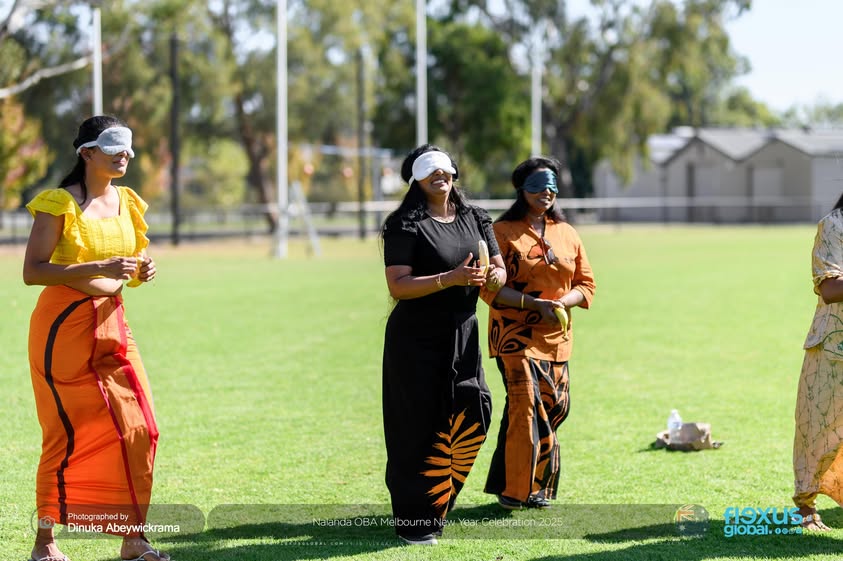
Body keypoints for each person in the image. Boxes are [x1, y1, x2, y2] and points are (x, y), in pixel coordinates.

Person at [23, 116, 168, 561]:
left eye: (127, 148)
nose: (124, 155)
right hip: (62, 329)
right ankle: (45, 544)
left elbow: (131, 259)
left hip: (113, 323)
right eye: (113, 147)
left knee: (141, 427)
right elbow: (33, 271)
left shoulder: (128, 201)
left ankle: (133, 540)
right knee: (66, 433)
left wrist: (143, 269)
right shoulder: (58, 203)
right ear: (86, 152)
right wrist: (96, 269)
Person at [380, 144, 506, 545]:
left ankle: (437, 502)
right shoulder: (405, 224)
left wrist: (495, 278)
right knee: (417, 429)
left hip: (463, 332)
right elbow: (397, 285)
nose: (440, 176)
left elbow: (498, 267)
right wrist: (448, 279)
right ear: (416, 179)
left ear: (454, 174)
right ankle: (415, 523)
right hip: (415, 340)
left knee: (475, 414)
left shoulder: (476, 217)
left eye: (446, 170)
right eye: (430, 171)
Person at [480, 156, 595, 510]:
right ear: (521, 189)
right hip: (515, 337)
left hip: (557, 338)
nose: (546, 192)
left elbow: (586, 284)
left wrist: (563, 302)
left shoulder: (567, 233)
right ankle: (517, 491)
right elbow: (490, 290)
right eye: (538, 185)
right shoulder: (501, 233)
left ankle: (518, 480)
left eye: (551, 186)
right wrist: (534, 305)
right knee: (526, 407)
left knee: (554, 407)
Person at [792, 191, 843, 531]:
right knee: (820, 431)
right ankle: (806, 507)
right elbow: (829, 288)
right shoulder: (834, 225)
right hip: (834, 348)